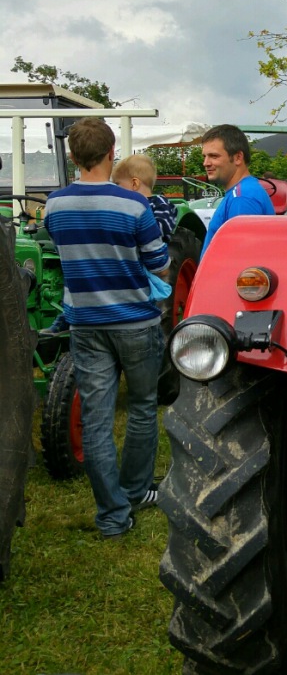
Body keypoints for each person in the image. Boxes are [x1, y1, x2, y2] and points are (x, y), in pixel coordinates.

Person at [43, 118, 170, 539]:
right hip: (135, 319)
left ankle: (112, 515)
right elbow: (158, 263)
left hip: (85, 322)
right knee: (141, 405)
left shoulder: (55, 206)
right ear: (111, 152)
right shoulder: (135, 206)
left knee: (96, 419)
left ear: (73, 157)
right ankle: (135, 492)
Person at [199, 124, 274, 256]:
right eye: (204, 156)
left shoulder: (242, 198)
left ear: (238, 157)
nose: (206, 163)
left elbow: (241, 260)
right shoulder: (241, 191)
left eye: (214, 156)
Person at [112, 153, 177, 244]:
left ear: (134, 184)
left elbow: (161, 227)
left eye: (117, 184)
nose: (115, 189)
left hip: (156, 253)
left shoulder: (159, 203)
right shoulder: (125, 205)